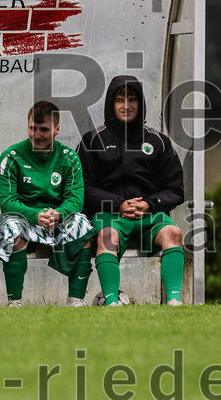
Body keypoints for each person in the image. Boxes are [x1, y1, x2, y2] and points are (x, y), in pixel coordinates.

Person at [77, 76, 186, 306]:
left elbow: (176, 189)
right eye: (119, 100)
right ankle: (111, 302)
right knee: (107, 238)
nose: (126, 105)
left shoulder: (158, 141)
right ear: (111, 104)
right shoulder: (92, 140)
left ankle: (175, 302)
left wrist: (149, 203)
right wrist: (118, 204)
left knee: (173, 233)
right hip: (109, 215)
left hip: (149, 214)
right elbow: (82, 187)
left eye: (132, 99)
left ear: (141, 103)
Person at [0, 100, 96, 307]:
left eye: (44, 129)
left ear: (57, 129)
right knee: (11, 227)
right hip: (24, 219)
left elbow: (75, 199)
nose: (37, 135)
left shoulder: (69, 158)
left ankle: (76, 300)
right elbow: (8, 201)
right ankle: (15, 302)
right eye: (32, 128)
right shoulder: (11, 157)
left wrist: (59, 214)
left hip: (56, 219)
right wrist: (35, 215)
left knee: (83, 226)